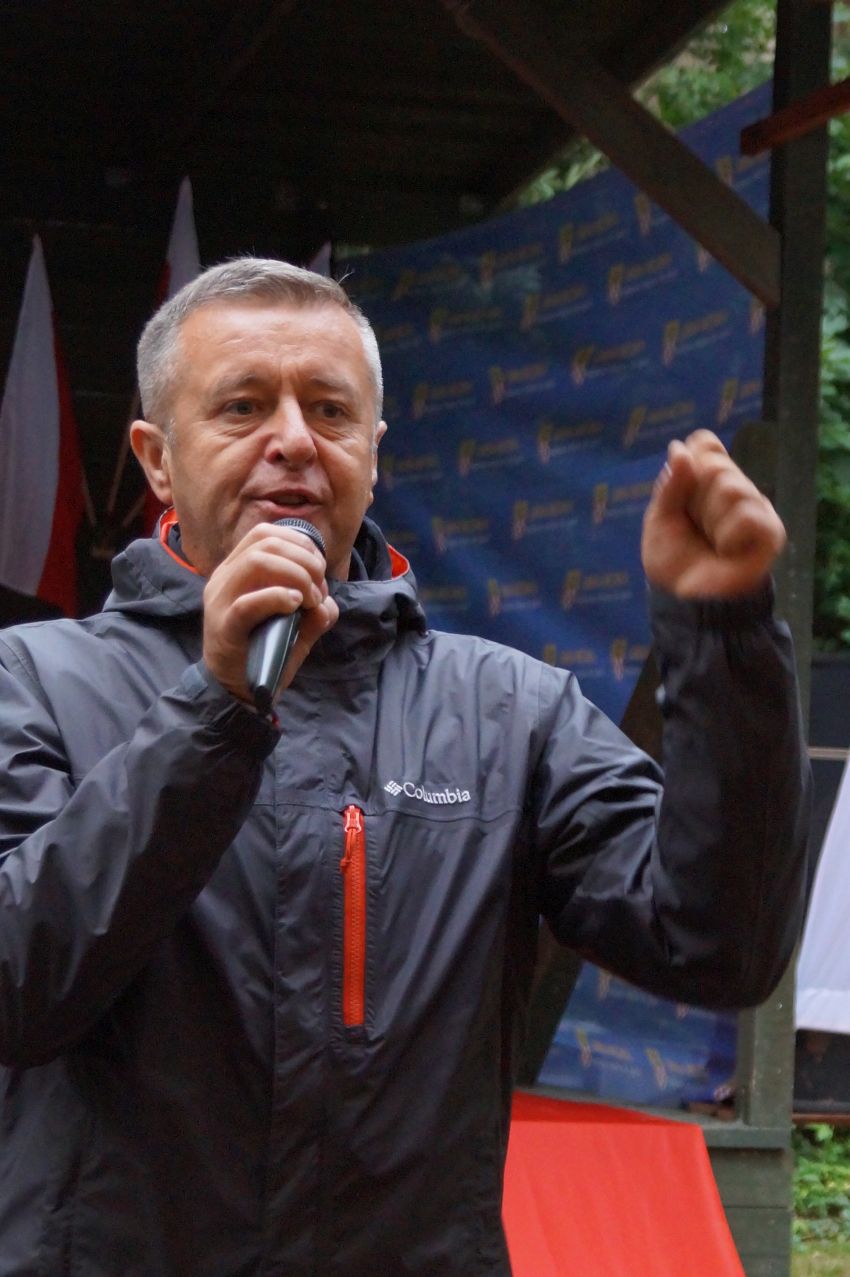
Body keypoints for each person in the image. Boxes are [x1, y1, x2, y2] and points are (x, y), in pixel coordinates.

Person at [0, 259, 808, 1276]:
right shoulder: (31, 681)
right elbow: (17, 983)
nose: (293, 438)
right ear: (158, 459)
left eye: (329, 409)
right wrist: (215, 707)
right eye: (242, 406)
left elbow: (717, 947)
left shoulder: (509, 712)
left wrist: (723, 635)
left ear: (373, 454)